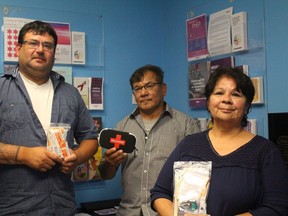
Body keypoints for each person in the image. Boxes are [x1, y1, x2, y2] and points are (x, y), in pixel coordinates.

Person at [150, 67, 288, 216]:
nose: (226, 99)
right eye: (219, 93)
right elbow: (160, 192)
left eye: (236, 94)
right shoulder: (189, 144)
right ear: (208, 102)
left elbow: (276, 208)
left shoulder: (264, 151)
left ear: (247, 105)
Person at [0, 20, 98, 215]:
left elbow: (91, 139)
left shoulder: (70, 93)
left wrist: (76, 157)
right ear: (18, 48)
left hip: (62, 206)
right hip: (13, 208)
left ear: (54, 52)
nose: (40, 50)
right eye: (33, 43)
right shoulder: (2, 89)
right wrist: (24, 155)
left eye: (47, 45)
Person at [98, 64, 199, 216]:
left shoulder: (185, 125)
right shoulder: (122, 127)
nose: (143, 93)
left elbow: (197, 176)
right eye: (137, 88)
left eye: (149, 86)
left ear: (163, 89)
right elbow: (106, 174)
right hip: (128, 212)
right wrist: (110, 163)